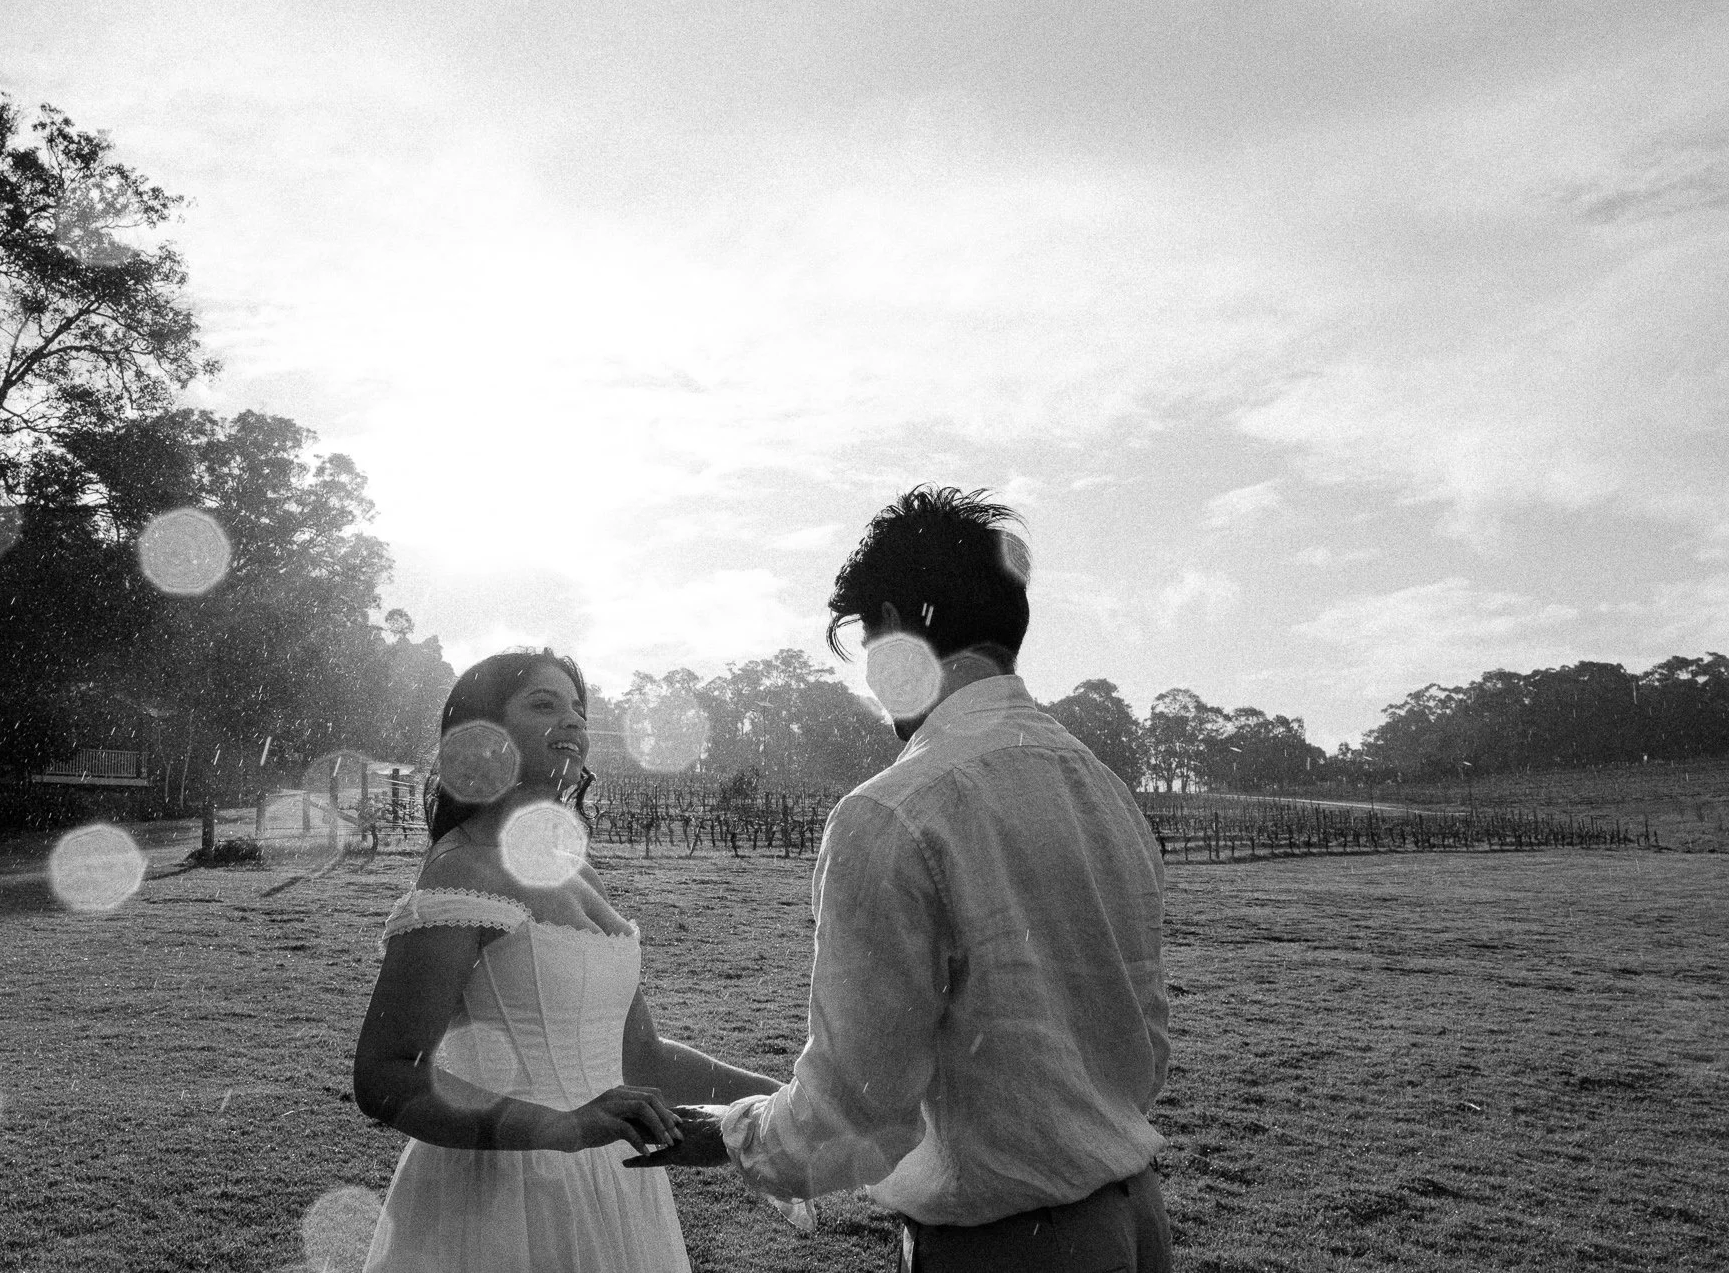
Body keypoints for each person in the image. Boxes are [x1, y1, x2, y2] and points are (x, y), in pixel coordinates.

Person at [629, 487, 1174, 1273]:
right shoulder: (1102, 788)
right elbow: (1145, 1038)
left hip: (1007, 1245)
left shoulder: (893, 811)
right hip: (1135, 1217)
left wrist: (729, 1131)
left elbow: (860, 1102)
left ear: (891, 625)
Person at [352, 647, 780, 1273]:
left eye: (579, 708)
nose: (575, 721)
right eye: (544, 704)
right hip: (502, 1200)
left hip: (614, 1186)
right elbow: (385, 1075)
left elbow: (643, 1056)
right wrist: (560, 1126)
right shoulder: (462, 870)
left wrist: (787, 1101)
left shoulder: (575, 870)